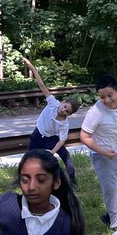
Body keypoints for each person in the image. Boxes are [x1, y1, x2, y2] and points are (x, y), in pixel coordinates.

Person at [80, 75, 117, 230]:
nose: (106, 100)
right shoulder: (95, 112)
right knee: (110, 190)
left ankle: (112, 215)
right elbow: (84, 136)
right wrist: (104, 152)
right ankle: (116, 223)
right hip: (102, 156)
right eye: (102, 97)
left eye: (110, 95)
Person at [23, 56, 79, 184]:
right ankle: (23, 177)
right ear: (63, 102)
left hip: (52, 140)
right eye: (64, 106)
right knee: (28, 157)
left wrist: (52, 152)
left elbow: (62, 140)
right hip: (38, 135)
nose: (63, 110)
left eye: (67, 111)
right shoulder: (53, 103)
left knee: (67, 158)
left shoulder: (64, 123)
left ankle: (73, 180)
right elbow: (42, 85)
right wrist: (31, 67)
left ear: (69, 114)